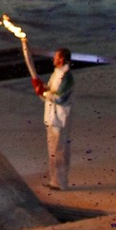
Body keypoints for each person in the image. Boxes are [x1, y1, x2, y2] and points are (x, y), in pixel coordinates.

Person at [33, 47, 75, 189]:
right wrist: (41, 88)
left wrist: (44, 93)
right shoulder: (55, 74)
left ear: (62, 59)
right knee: (52, 151)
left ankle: (61, 182)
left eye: (56, 57)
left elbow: (60, 97)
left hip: (61, 119)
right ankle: (54, 181)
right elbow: (50, 93)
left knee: (60, 152)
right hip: (51, 117)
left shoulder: (67, 78)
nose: (54, 59)